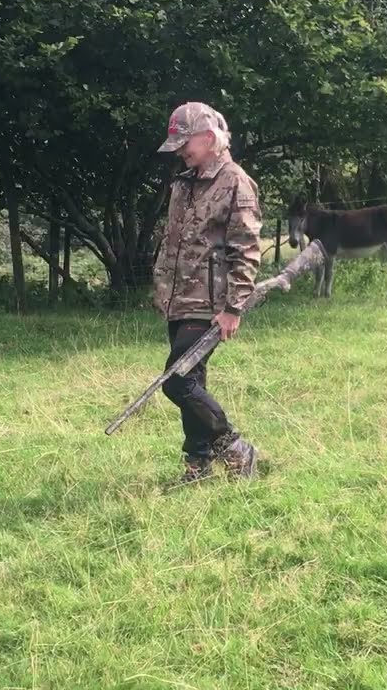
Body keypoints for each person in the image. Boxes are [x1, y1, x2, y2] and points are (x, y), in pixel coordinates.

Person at [153, 101, 263, 485]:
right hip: (179, 300)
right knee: (192, 382)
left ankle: (234, 446)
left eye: (186, 141)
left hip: (211, 304)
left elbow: (247, 249)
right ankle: (197, 466)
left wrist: (234, 307)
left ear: (210, 136)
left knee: (177, 381)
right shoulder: (184, 182)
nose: (182, 150)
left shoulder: (235, 181)